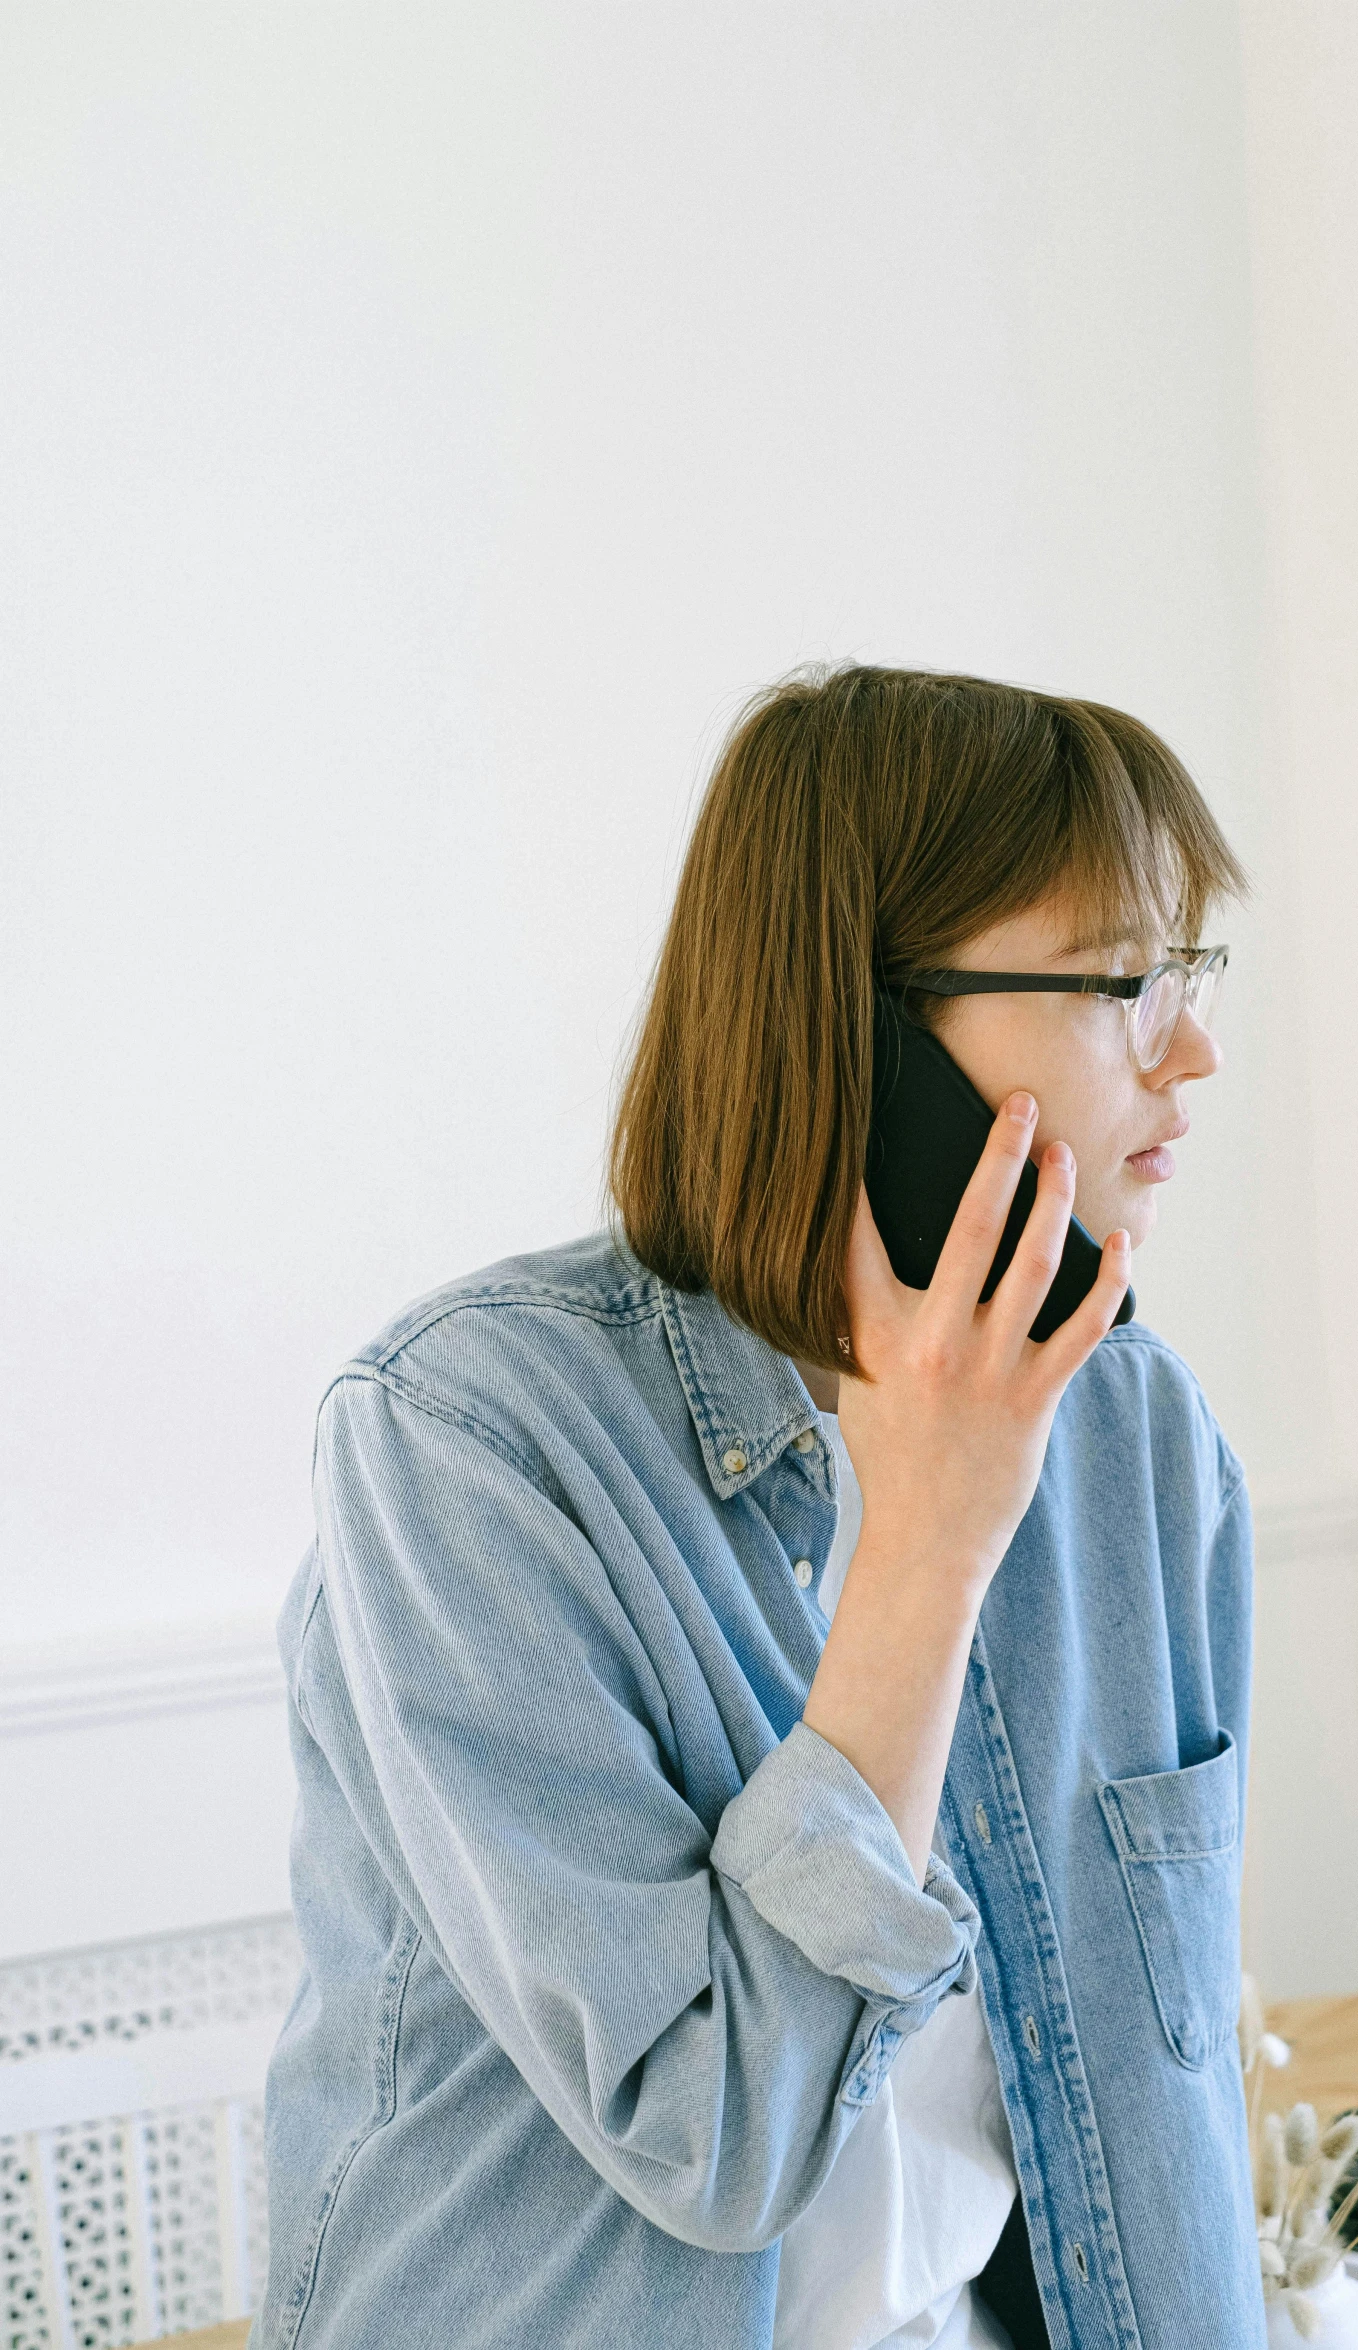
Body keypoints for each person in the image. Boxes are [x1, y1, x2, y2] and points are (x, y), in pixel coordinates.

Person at [255, 665, 1265, 2350]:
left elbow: (1162, 2117)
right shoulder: (464, 1443)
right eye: (1126, 978)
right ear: (867, 1027)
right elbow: (715, 2135)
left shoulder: (1134, 1432)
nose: (1194, 1048)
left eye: (1193, 968)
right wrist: (927, 1545)